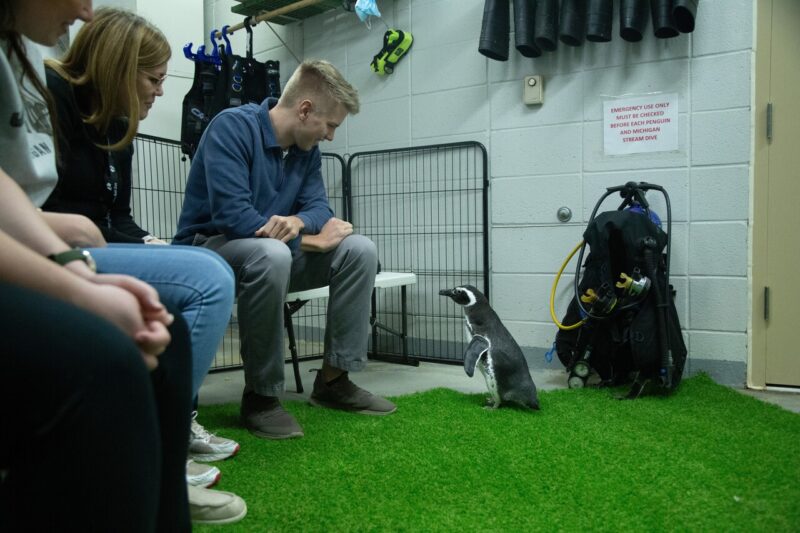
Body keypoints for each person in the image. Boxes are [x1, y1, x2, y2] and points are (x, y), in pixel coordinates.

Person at [0, 0, 245, 526]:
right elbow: (62, 213)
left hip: (71, 245)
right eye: (154, 79)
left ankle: (166, 462)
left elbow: (113, 216)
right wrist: (73, 270)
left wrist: (145, 244)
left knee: (172, 318)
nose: (87, 10)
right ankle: (165, 442)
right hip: (58, 248)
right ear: (118, 68)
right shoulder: (49, 89)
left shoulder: (105, 117)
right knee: (206, 278)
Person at [175, 59, 396, 440]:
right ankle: (261, 397)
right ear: (305, 110)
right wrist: (309, 239)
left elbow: (319, 209)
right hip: (208, 253)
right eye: (330, 125)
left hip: (271, 255)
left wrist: (297, 222)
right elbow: (234, 218)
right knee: (271, 254)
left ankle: (333, 381)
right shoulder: (231, 128)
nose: (330, 136)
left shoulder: (305, 151)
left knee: (359, 250)